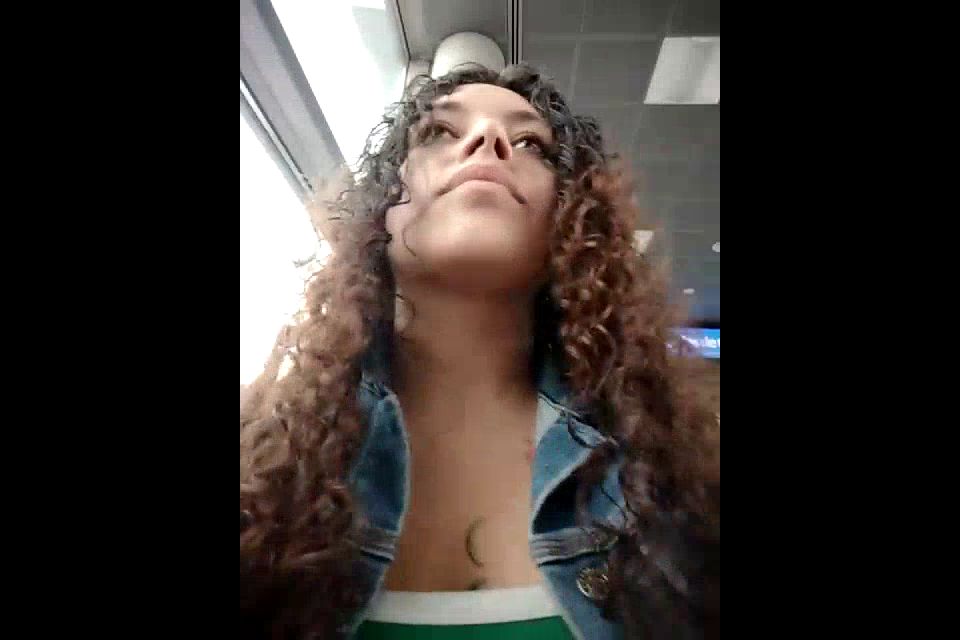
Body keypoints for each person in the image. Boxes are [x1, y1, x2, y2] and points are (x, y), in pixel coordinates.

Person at [240, 64, 720, 640]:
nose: (488, 138)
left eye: (531, 143)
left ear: (571, 223)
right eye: (439, 132)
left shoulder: (678, 481)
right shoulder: (257, 463)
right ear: (381, 211)